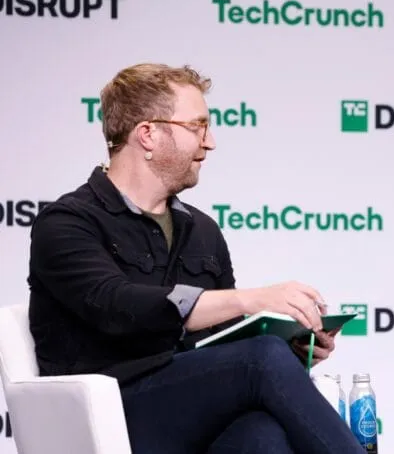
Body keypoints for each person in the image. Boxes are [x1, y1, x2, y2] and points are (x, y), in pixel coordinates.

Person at [27, 63, 365, 454]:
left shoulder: (201, 230)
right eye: (198, 127)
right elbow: (119, 306)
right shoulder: (68, 222)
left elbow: (224, 345)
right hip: (110, 417)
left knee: (262, 434)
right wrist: (252, 301)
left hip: (187, 413)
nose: (210, 143)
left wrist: (295, 349)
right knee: (261, 362)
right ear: (148, 134)